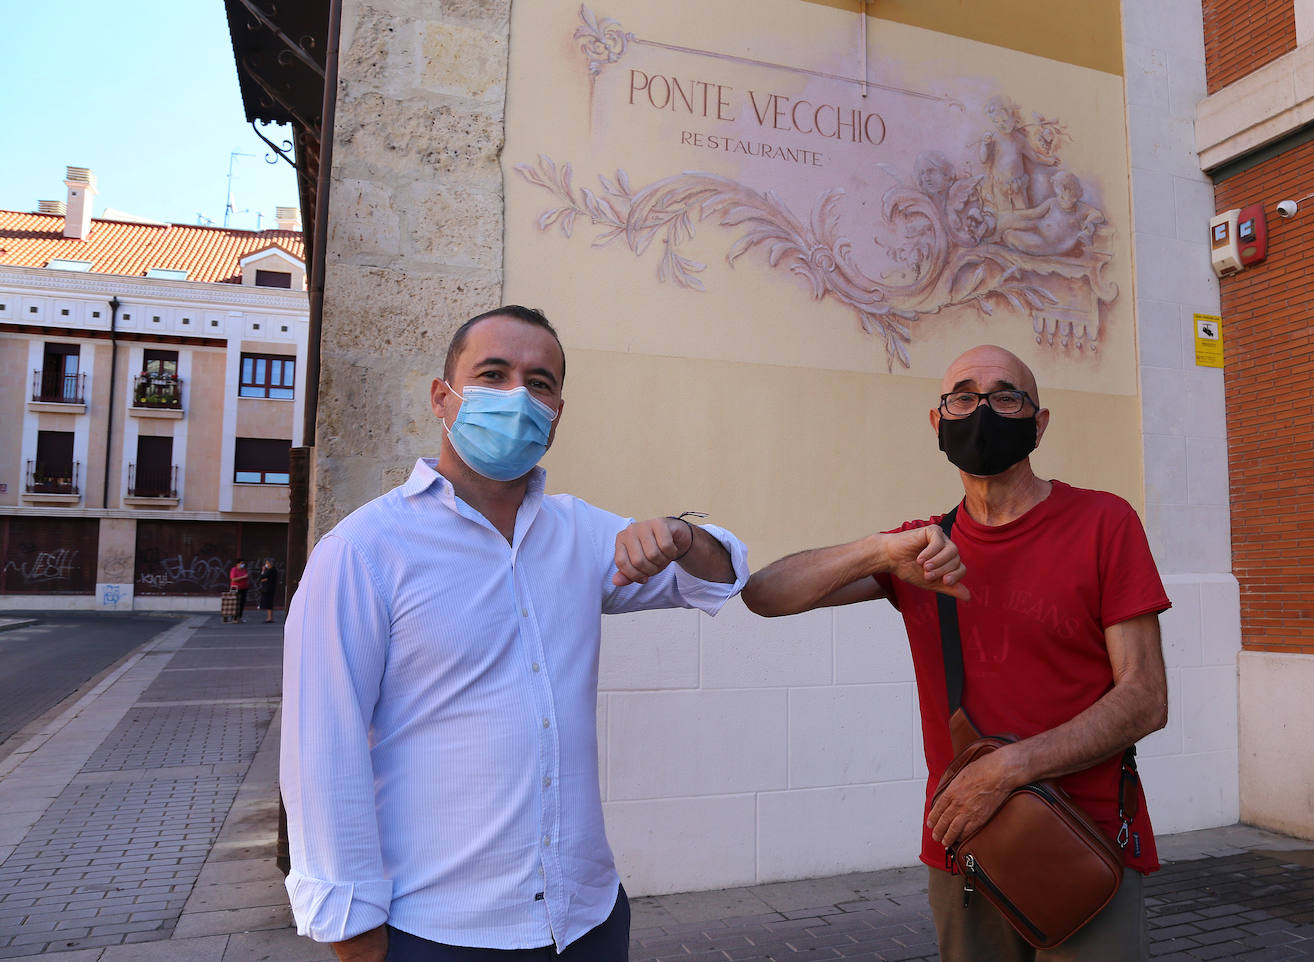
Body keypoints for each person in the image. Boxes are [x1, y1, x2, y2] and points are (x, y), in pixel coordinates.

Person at [280, 306, 753, 962]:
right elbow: (322, 750)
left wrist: (681, 533)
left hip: (587, 920)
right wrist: (354, 935)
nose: (516, 397)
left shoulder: (579, 534)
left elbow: (720, 578)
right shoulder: (363, 551)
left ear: (557, 410)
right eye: (493, 374)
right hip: (438, 932)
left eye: (539, 382)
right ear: (443, 398)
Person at [742, 344, 1169, 961]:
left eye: (1005, 397)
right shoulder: (920, 552)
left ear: (1039, 422)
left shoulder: (1104, 522)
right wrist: (879, 552)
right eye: (963, 398)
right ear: (938, 421)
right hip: (966, 846)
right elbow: (766, 594)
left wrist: (1008, 769)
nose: (982, 411)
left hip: (1085, 843)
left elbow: (1146, 698)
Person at [228, 558, 250, 623]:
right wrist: (243, 577)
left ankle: (239, 617)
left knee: (242, 603)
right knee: (235, 603)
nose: (243, 564)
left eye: (243, 563)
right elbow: (233, 579)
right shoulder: (234, 570)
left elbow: (246, 576)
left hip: (244, 588)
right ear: (238, 564)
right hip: (236, 588)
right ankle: (234, 618)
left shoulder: (244, 570)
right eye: (241, 563)